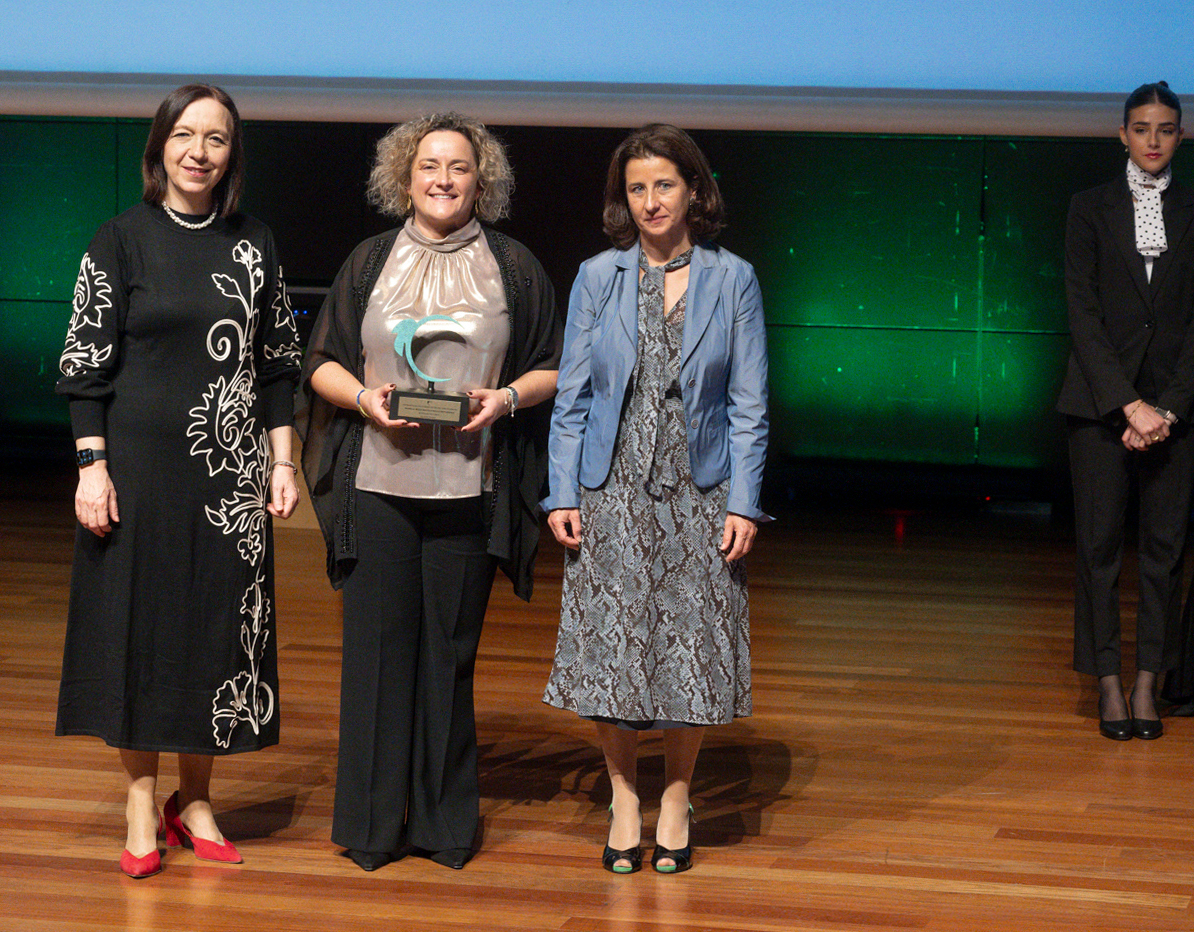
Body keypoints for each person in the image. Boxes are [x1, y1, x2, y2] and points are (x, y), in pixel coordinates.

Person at [298, 112, 560, 872]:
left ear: (484, 181)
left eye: (459, 168)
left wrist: (502, 401)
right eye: (429, 166)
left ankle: (446, 826)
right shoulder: (369, 260)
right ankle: (374, 828)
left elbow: (550, 363)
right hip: (378, 487)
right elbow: (323, 361)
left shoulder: (513, 266)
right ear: (403, 177)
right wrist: (364, 401)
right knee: (376, 656)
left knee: (448, 656)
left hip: (471, 490)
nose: (443, 179)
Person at [54, 84, 302, 877]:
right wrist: (92, 469)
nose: (200, 151)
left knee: (219, 635)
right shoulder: (119, 239)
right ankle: (139, 799)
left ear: (233, 154)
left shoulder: (254, 242)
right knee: (137, 632)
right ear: (159, 146)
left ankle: (195, 798)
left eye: (217, 138)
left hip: (230, 483)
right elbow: (84, 368)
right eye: (185, 134)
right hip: (136, 476)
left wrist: (284, 461)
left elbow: (278, 369)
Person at [541, 124, 769, 875]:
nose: (650, 201)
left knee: (689, 653)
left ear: (694, 191)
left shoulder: (731, 278)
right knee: (611, 652)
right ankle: (622, 795)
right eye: (636, 188)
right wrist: (560, 492)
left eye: (663, 185)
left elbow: (748, 405)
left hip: (699, 495)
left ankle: (675, 795)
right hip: (610, 493)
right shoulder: (596, 277)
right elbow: (571, 396)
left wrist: (743, 501)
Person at [1058, 81, 1192, 741]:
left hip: (1176, 412)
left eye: (1166, 129)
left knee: (1164, 552)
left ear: (1180, 135)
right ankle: (1108, 680)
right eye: (1142, 128)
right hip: (1100, 407)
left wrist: (1165, 408)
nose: (1153, 141)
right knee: (1100, 547)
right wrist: (1128, 405)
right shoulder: (1088, 208)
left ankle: (1148, 683)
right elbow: (1081, 314)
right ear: (1122, 134)